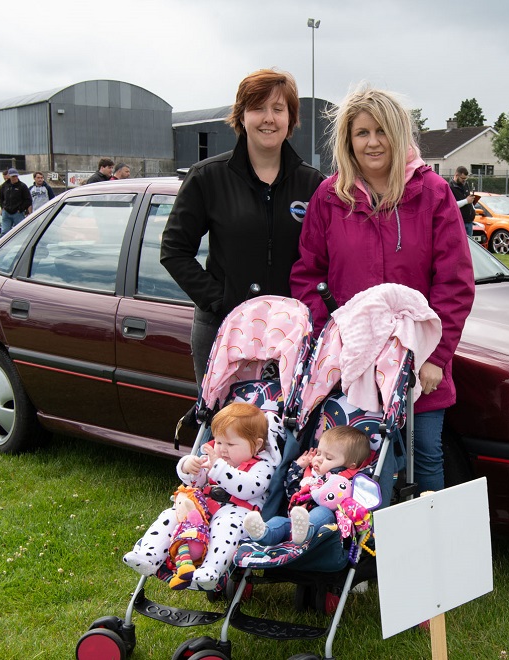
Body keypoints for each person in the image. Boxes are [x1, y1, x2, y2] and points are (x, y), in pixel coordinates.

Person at [289, 85, 475, 493]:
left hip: (418, 362)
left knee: (424, 453)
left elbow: (455, 283)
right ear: (348, 141)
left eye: (382, 131)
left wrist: (435, 359)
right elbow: (308, 275)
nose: (373, 142)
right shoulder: (329, 197)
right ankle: (364, 552)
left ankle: (429, 552)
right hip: (352, 362)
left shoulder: (433, 194)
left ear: (398, 134)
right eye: (361, 133)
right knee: (356, 462)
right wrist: (329, 340)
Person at [162, 68, 325, 386]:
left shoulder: (312, 184)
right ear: (242, 115)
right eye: (258, 108)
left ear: (291, 119)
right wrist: (220, 301)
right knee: (225, 430)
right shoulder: (207, 177)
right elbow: (173, 251)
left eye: (278, 109)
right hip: (222, 329)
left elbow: (324, 260)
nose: (269, 118)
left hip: (290, 335)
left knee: (285, 431)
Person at [122, 402, 274, 590]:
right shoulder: (214, 456)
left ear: (257, 445)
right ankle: (148, 555)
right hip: (202, 512)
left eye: (230, 444)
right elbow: (196, 482)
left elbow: (248, 488)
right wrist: (189, 467)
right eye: (218, 442)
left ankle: (211, 570)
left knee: (226, 525)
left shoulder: (262, 465)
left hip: (238, 515)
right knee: (170, 515)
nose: (222, 449)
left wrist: (218, 468)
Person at [243, 425, 372, 547]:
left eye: (329, 458)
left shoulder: (347, 479)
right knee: (280, 522)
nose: (319, 459)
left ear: (351, 465)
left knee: (322, 512)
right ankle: (263, 534)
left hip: (327, 526)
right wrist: (297, 468)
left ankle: (307, 529)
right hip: (296, 521)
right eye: (319, 453)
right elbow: (292, 493)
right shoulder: (310, 476)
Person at [0, 168, 31, 234]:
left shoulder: (22, 186)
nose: (15, 178)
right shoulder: (4, 186)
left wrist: (21, 209)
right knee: (4, 232)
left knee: (20, 232)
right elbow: (0, 198)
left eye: (16, 176)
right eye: (13, 176)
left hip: (18, 213)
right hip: (6, 212)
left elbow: (28, 200)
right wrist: (3, 207)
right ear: (9, 176)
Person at [449, 165, 477, 236]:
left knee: (470, 246)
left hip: (469, 221)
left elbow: (468, 199)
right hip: (459, 223)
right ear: (456, 175)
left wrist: (472, 206)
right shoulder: (450, 187)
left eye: (465, 179)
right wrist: (466, 201)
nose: (464, 180)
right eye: (462, 178)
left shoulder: (465, 184)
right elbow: (452, 205)